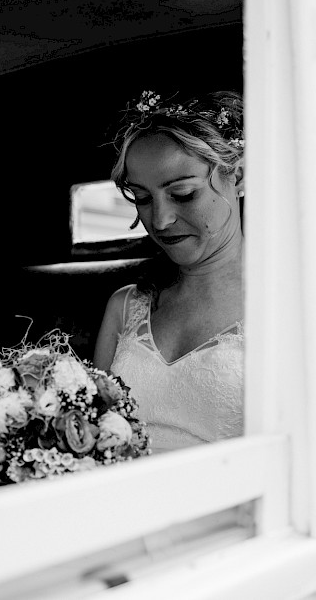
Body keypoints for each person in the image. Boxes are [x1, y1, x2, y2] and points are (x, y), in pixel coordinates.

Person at [94, 90, 244, 453]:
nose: (159, 220)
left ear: (237, 177)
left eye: (183, 193)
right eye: (142, 199)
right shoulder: (126, 307)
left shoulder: (292, 307)